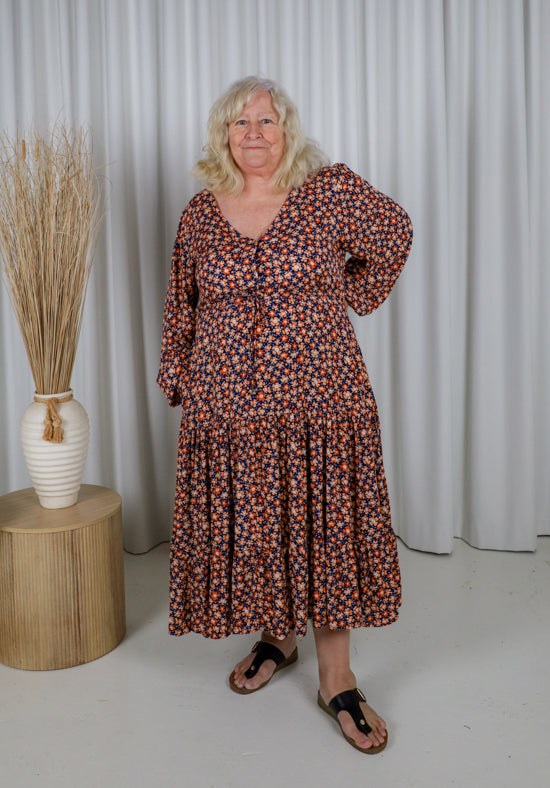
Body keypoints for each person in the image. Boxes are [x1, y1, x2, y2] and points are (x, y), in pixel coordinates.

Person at [157, 76, 413, 754]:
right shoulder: (200, 214)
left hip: (320, 398)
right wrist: (179, 377)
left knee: (321, 523)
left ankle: (338, 677)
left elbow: (394, 231)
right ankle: (279, 635)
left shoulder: (326, 193)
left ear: (286, 129)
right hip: (230, 406)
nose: (254, 134)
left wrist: (350, 293)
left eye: (266, 121)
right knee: (263, 520)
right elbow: (182, 304)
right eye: (240, 123)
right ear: (223, 135)